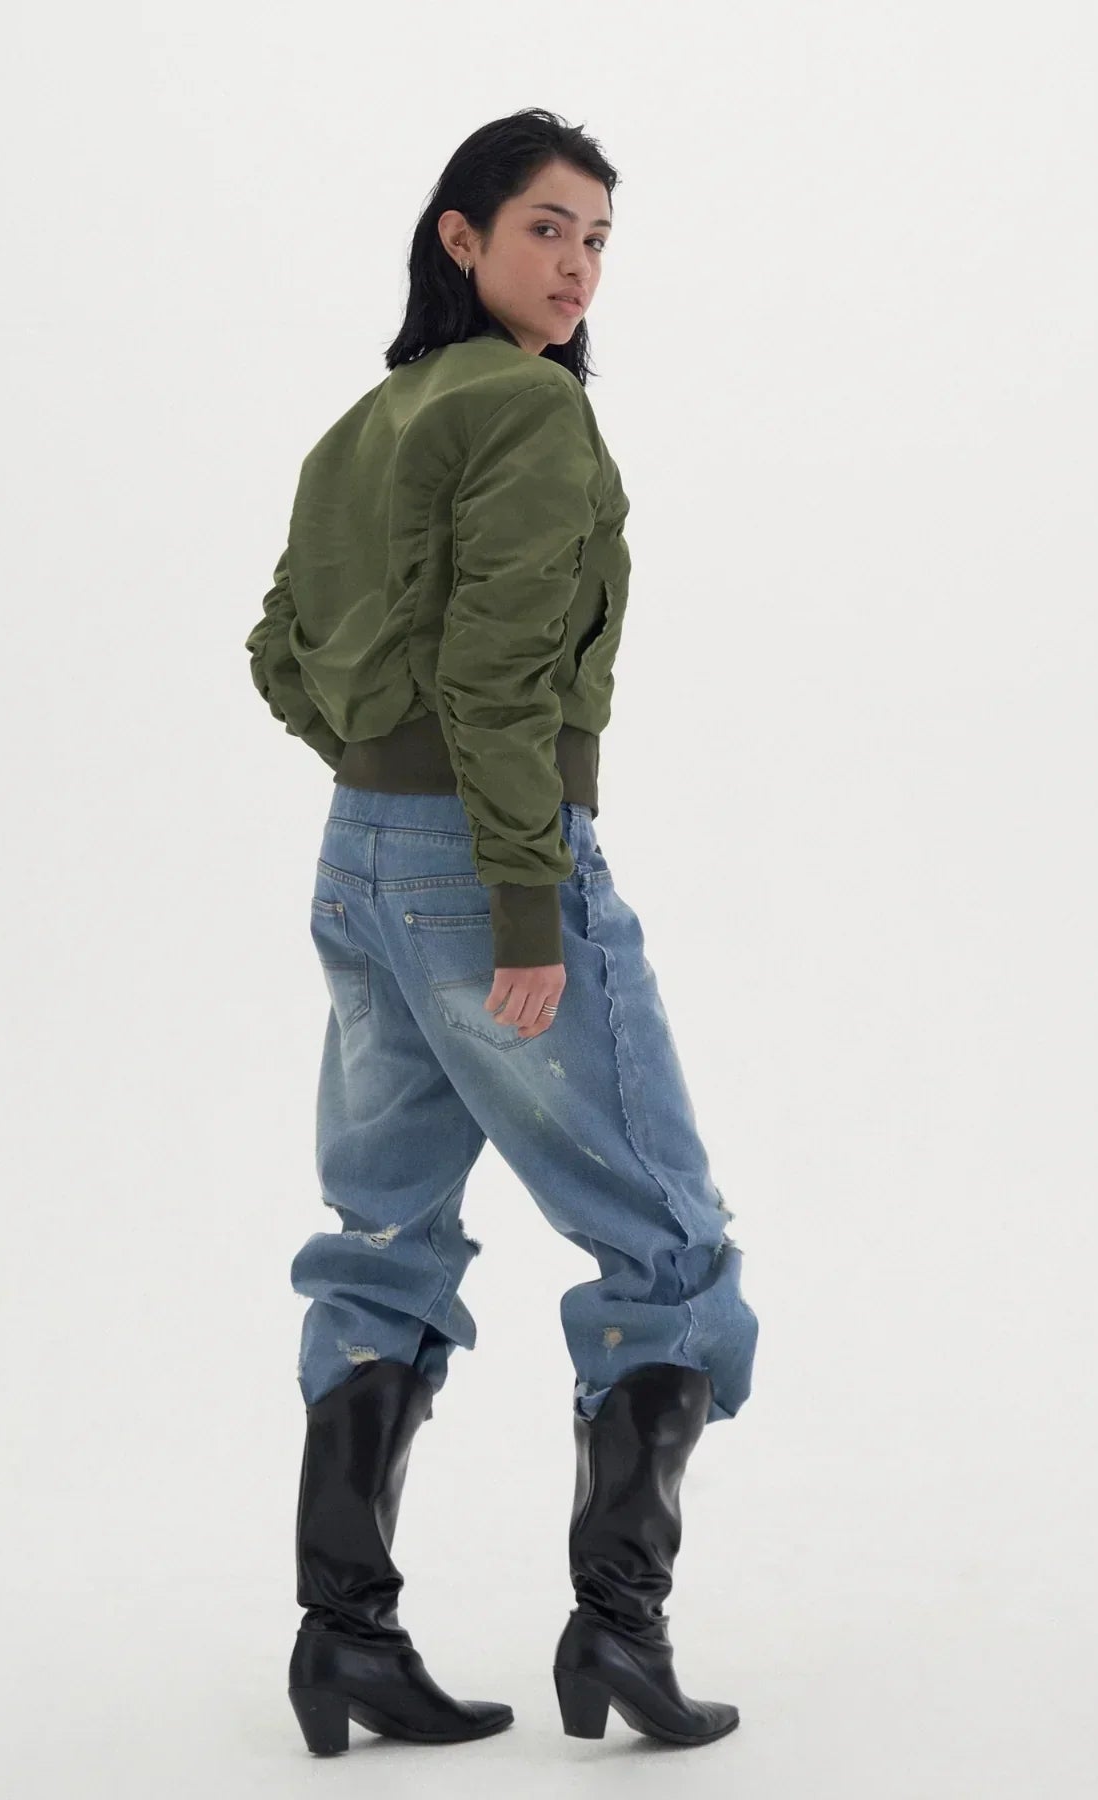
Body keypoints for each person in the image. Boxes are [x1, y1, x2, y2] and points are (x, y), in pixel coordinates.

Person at [243, 107, 759, 1757]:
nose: (578, 266)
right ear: (459, 237)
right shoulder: (531, 415)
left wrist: (375, 785)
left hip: (361, 863)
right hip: (490, 864)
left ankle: (347, 1647)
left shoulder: (371, 420)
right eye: (547, 229)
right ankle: (620, 1635)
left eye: (599, 239)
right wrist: (521, 904)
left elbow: (275, 651)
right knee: (668, 1255)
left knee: (384, 1243)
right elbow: (499, 680)